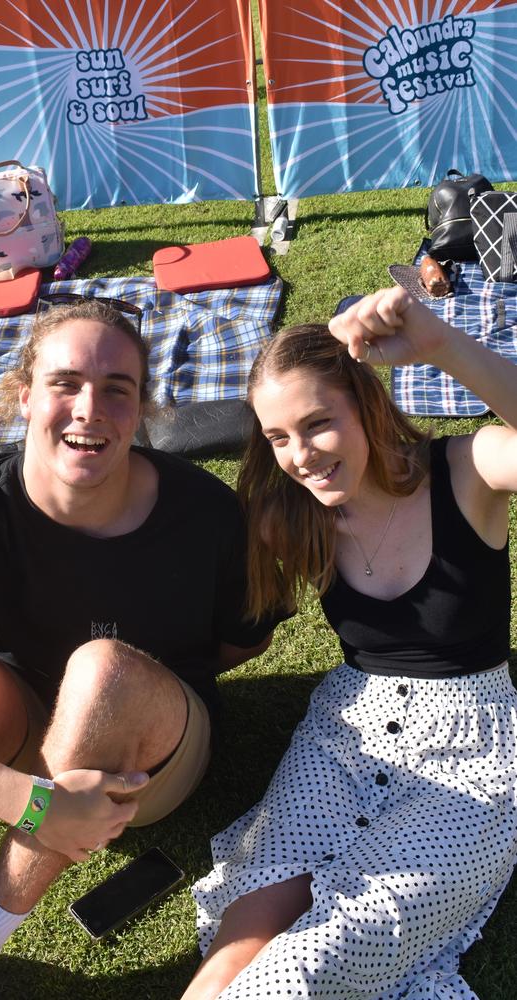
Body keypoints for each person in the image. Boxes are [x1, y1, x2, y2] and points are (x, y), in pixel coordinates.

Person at [0, 298, 281, 1000]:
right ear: (25, 396)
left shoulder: (207, 514)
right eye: (65, 384)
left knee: (103, 669)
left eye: (117, 390)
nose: (89, 408)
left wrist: (129, 710)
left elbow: (243, 642)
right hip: (18, 741)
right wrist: (29, 799)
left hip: (156, 756)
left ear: (142, 409)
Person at [182, 286, 517, 1000]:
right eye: (278, 438)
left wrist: (441, 346)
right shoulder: (291, 517)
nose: (300, 456)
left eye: (317, 424)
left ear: (363, 404)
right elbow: (231, 615)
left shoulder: (469, 472)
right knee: (244, 932)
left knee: (316, 959)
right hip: (345, 733)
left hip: (473, 758)